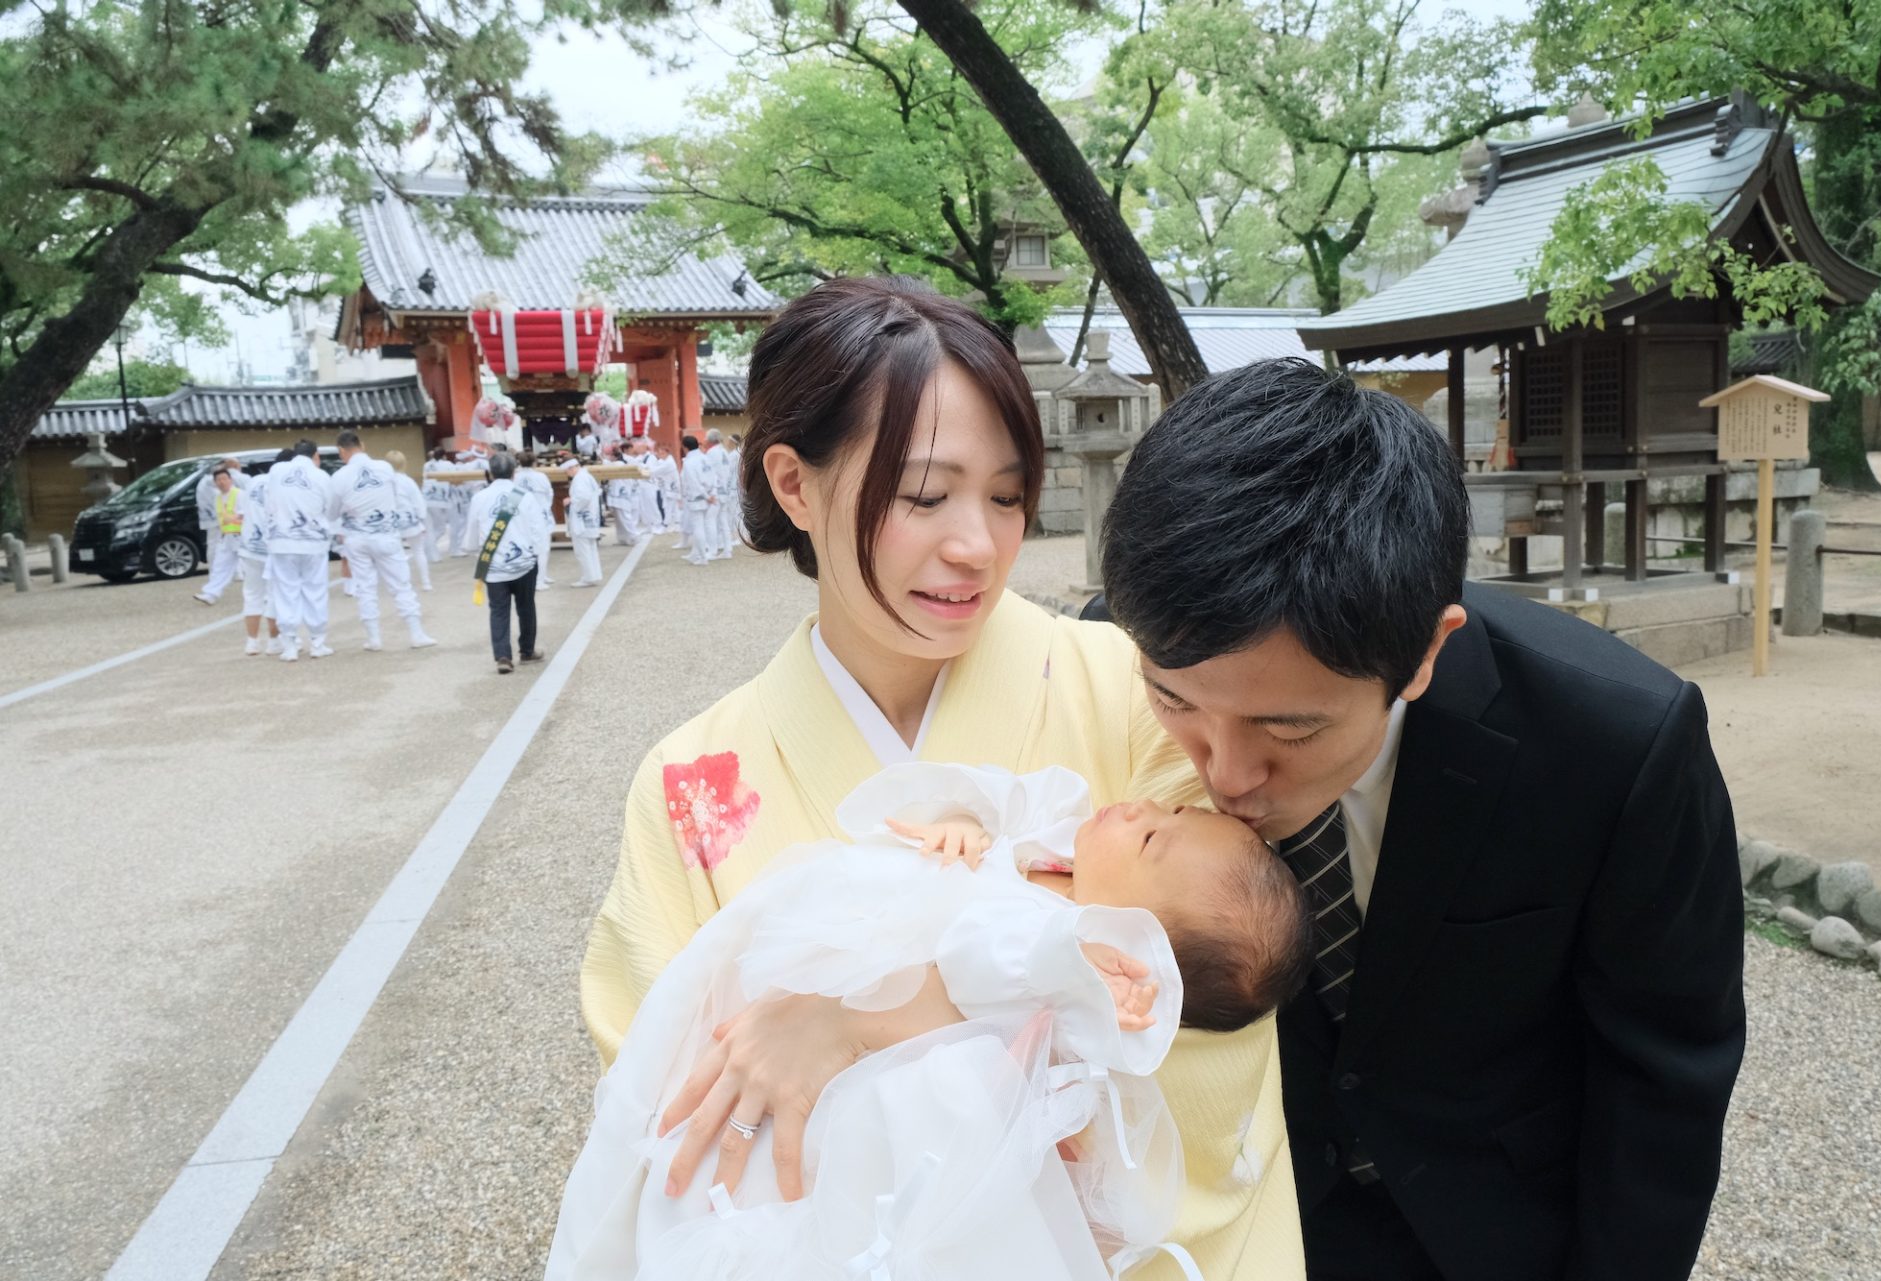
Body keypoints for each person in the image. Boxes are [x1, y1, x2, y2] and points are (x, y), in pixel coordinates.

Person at [580, 276, 1307, 1281]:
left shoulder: (1135, 698)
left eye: (1008, 496)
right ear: (794, 485)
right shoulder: (691, 782)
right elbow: (675, 1102)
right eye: (925, 496)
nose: (977, 545)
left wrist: (856, 1027)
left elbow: (1207, 987)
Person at [1094, 357, 1745, 1281]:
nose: (1227, 773)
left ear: (1427, 651)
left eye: (1291, 726)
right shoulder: (1117, 644)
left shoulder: (1617, 745)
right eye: (1176, 703)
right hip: (1241, 1236)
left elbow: (1666, 1076)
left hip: (1498, 1235)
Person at [550, 761, 1308, 1281]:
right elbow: (981, 821)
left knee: (790, 1188)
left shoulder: (1060, 944)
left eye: (1150, 837)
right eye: (1172, 809)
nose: (1144, 806)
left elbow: (977, 956)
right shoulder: (1053, 853)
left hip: (901, 1103)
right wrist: (965, 830)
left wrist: (1062, 950)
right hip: (822, 1002)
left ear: (1132, 936)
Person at [326, 431, 435, 652]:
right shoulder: (385, 468)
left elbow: (332, 512)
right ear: (362, 445)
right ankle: (416, 633)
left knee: (365, 587)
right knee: (401, 585)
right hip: (386, 534)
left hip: (357, 538)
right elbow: (394, 497)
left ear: (342, 451)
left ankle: (374, 638)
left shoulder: (339, 476)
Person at [467, 452, 547, 674]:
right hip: (523, 563)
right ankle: (527, 651)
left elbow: (472, 535)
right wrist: (535, 554)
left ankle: (503, 656)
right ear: (514, 472)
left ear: (490, 473)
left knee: (499, 610)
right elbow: (538, 530)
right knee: (526, 607)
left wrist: (474, 550)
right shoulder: (525, 496)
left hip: (493, 566)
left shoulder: (479, 498)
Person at [259, 440, 334, 661]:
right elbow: (328, 508)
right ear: (316, 456)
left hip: (282, 541)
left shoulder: (277, 470)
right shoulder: (321, 476)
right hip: (313, 542)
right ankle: (318, 643)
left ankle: (290, 644)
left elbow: (268, 502)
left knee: (286, 591)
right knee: (315, 590)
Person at [235, 456, 283, 656]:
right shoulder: (281, 485)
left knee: (252, 594)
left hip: (249, 547)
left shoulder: (252, 483)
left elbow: (240, 515)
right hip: (271, 548)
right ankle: (273, 642)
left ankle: (252, 642)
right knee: (274, 595)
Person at [193, 461, 247, 605]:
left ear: (230, 479)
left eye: (224, 479)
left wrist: (236, 518)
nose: (222, 482)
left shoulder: (240, 494)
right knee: (220, 566)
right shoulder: (217, 497)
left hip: (243, 537)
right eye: (218, 480)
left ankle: (266, 594)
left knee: (253, 566)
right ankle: (211, 594)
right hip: (227, 537)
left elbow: (247, 512)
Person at [386, 450, 434, 593]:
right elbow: (419, 502)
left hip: (392, 522)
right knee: (419, 551)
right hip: (411, 520)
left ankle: (403, 583)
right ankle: (426, 583)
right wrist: (422, 519)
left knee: (397, 555)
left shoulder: (385, 482)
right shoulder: (408, 481)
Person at [516, 450, 558, 590]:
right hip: (540, 514)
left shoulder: (515, 476)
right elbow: (549, 493)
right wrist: (545, 506)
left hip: (522, 515)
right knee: (543, 548)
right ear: (535, 462)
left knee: (527, 547)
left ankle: (542, 574)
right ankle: (538, 580)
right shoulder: (541, 476)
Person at [562, 457, 604, 587]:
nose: (567, 474)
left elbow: (583, 497)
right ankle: (594, 575)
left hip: (582, 519)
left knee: (583, 550)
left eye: (566, 471)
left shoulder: (580, 479)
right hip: (590, 517)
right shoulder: (586, 476)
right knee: (590, 548)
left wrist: (571, 501)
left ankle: (589, 577)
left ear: (572, 468)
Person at [676, 432, 713, 565]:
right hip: (708, 495)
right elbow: (713, 477)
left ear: (685, 447)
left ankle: (703, 557)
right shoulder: (705, 458)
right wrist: (711, 494)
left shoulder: (690, 462)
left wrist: (706, 495)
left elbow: (693, 482)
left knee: (698, 527)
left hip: (697, 497)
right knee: (700, 525)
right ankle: (695, 553)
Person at [700, 428, 734, 560]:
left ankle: (712, 551)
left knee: (710, 520)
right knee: (723, 521)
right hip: (725, 490)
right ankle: (727, 549)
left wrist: (709, 492)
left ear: (710, 440)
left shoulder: (712, 453)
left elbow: (709, 475)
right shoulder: (724, 451)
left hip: (716, 491)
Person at [605, 440, 644, 545]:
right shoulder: (616, 463)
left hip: (621, 495)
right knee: (619, 520)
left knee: (625, 518)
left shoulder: (618, 464)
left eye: (610, 455)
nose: (608, 457)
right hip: (617, 495)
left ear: (614, 456)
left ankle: (634, 536)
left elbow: (605, 465)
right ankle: (623, 538)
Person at [421, 449, 453, 561]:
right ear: (444, 456)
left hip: (425, 498)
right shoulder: (447, 464)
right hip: (439, 500)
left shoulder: (427, 465)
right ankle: (426, 547)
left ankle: (432, 555)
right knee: (440, 528)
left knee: (430, 528)